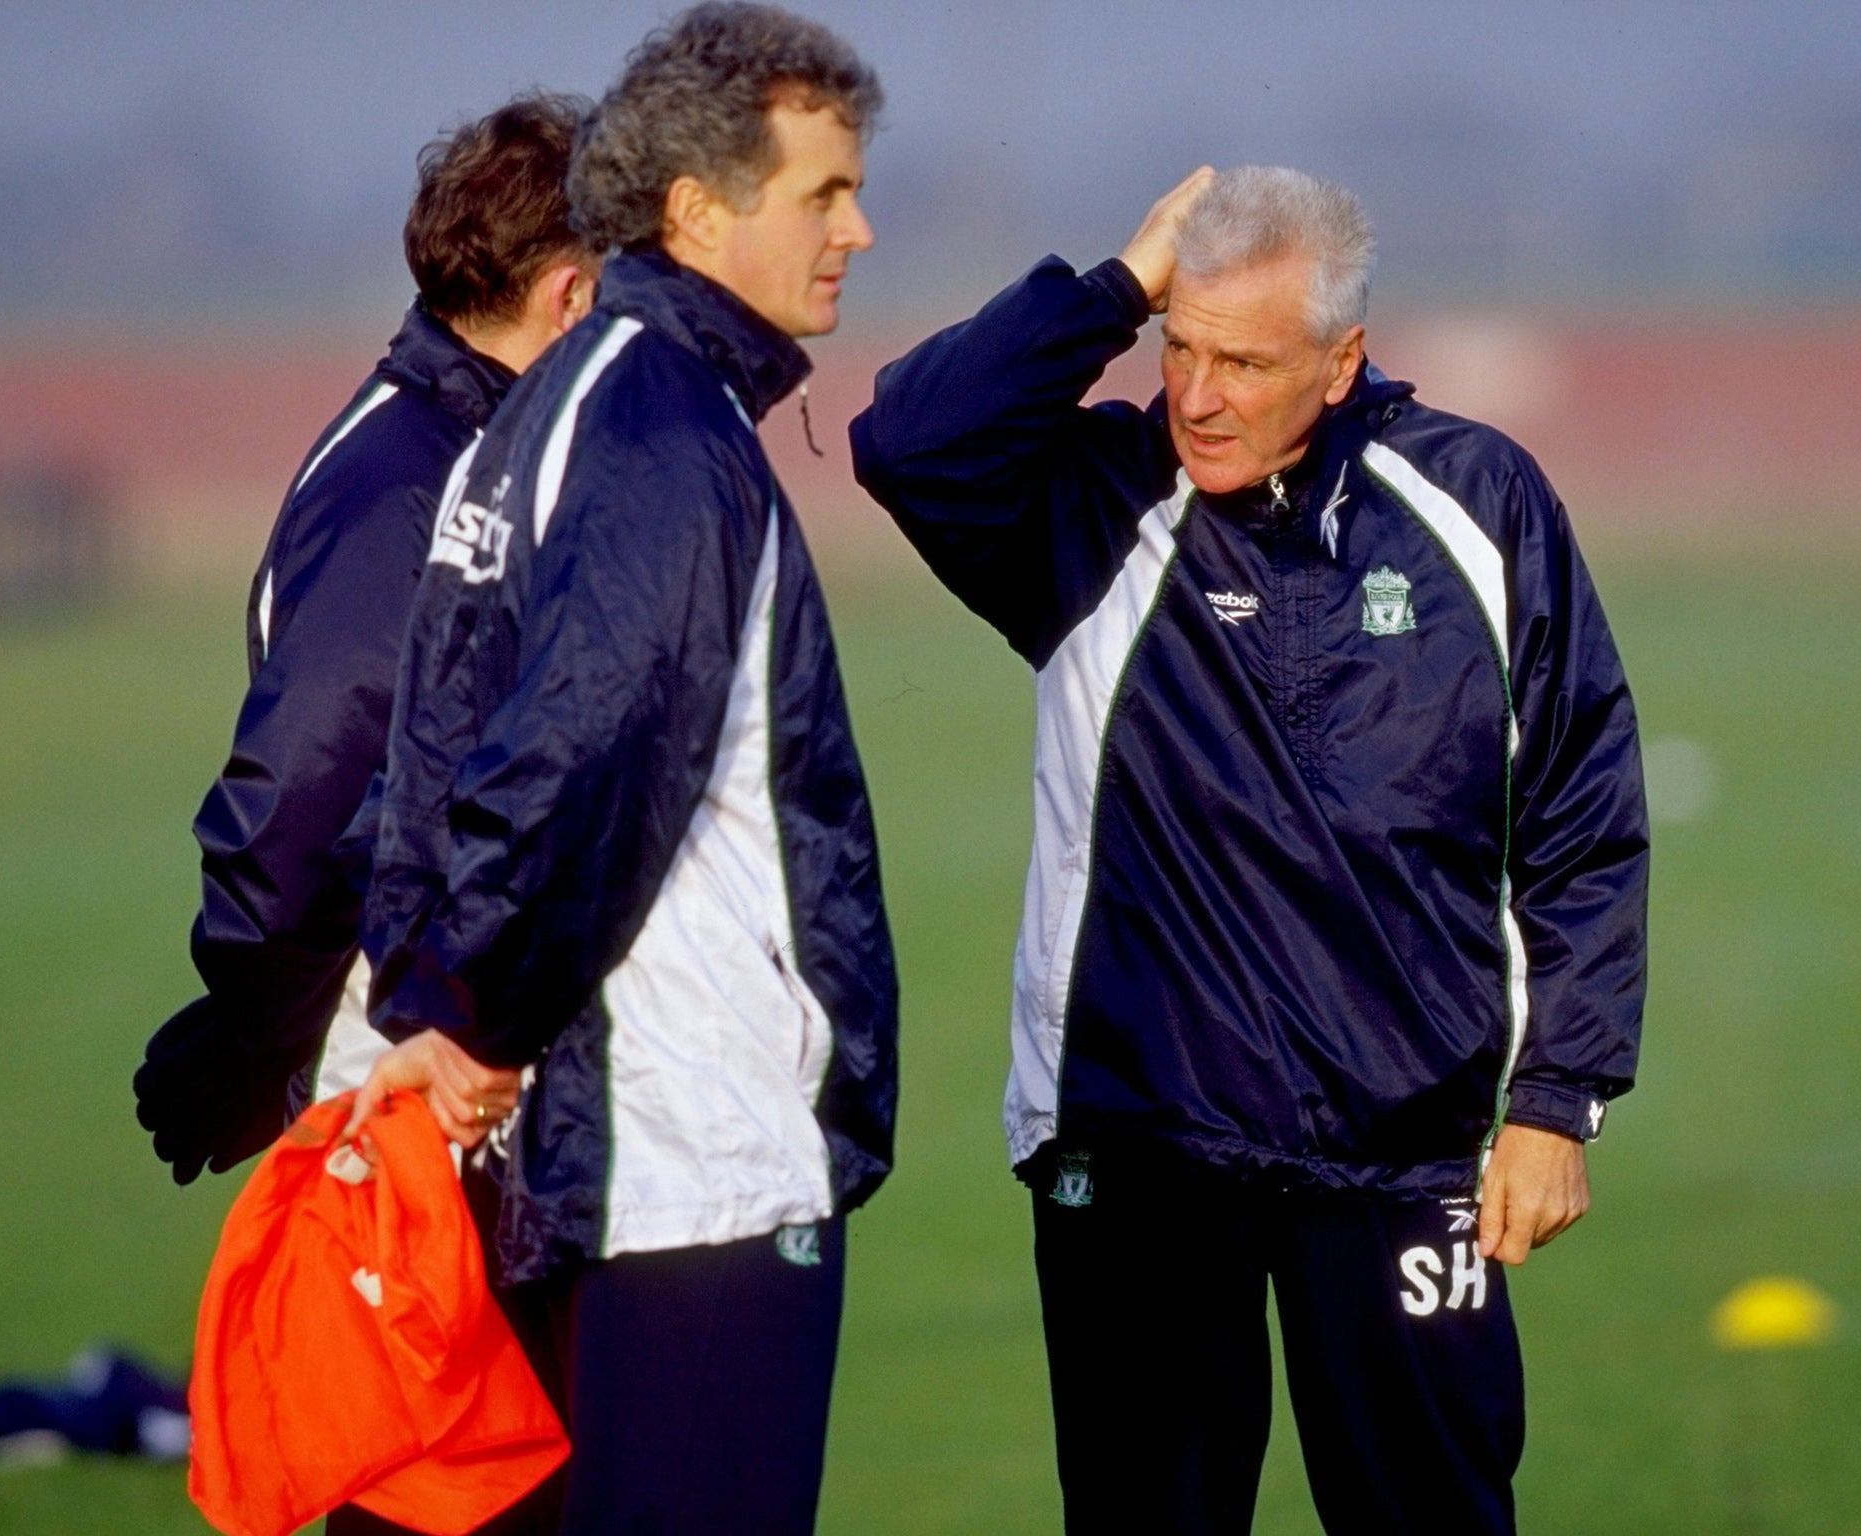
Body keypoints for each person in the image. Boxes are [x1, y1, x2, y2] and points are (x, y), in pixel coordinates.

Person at [850, 166, 1648, 1533]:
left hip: (1405, 1152)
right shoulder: (1093, 507)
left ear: (1340, 363)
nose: (1198, 397)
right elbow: (908, 445)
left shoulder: (1479, 502)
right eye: (1182, 350)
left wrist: (1555, 1098)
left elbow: (1582, 810)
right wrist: (1114, 288)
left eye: (1244, 362)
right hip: (1141, 1141)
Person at [349, 6, 897, 1531]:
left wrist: (438, 1008)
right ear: (697, 209)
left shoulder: (555, 405)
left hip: (581, 1154)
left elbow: (434, 761)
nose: (859, 227)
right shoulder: (658, 428)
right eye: (823, 193)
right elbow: (578, 758)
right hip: (685, 1160)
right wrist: (473, 1019)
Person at [134, 94, 597, 1186]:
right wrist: (266, 1026)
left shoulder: (466, 446)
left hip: (442, 1059)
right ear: (569, 294)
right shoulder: (410, 489)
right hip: (400, 1079)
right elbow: (306, 781)